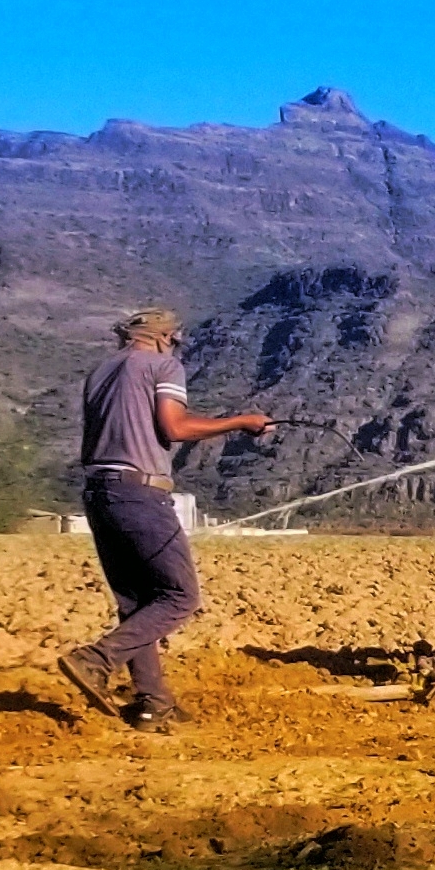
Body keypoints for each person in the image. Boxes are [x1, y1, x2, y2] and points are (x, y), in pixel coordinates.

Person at [57, 309, 270, 733]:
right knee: (179, 596)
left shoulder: (101, 371)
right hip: (139, 491)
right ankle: (95, 660)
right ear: (165, 337)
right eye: (176, 340)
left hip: (100, 492)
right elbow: (174, 427)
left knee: (136, 602)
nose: (177, 347)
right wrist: (241, 423)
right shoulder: (162, 364)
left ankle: (152, 703)